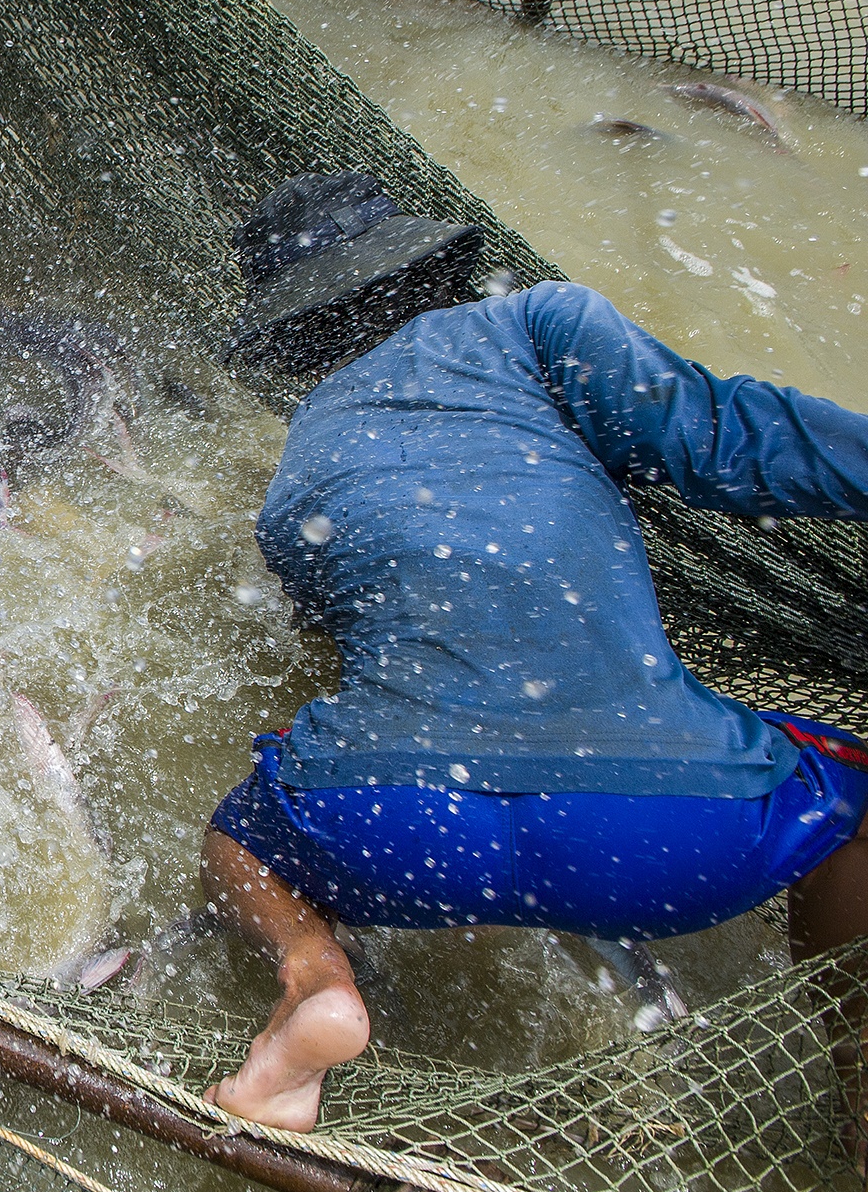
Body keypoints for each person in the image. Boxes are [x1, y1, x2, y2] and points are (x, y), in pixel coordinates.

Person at [198, 171, 868, 1132]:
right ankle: (858, 1094)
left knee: (241, 841)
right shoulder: (538, 324)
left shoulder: (297, 471)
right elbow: (726, 443)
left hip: (398, 830)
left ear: (297, 345)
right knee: (853, 809)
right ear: (434, 274)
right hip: (669, 836)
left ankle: (316, 981)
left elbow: (344, 636)